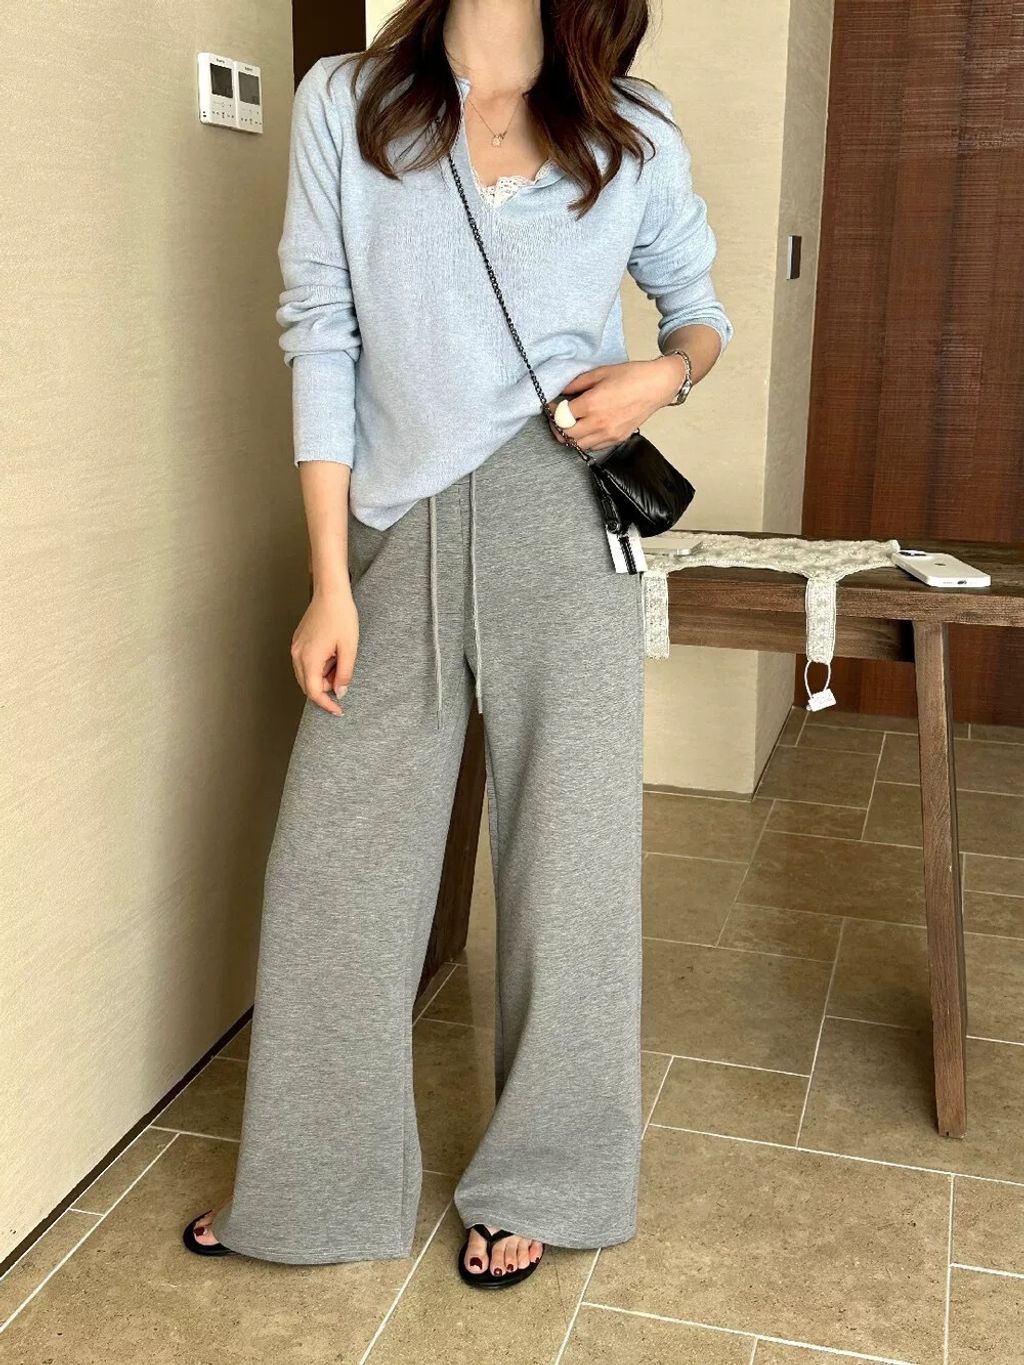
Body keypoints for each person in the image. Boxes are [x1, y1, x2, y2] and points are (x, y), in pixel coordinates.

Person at [184, 0, 732, 1290]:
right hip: (399, 525)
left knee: (571, 864)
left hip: (565, 522)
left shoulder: (632, 127)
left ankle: (550, 1178)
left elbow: (699, 313)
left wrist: (663, 377)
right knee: (337, 870)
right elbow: (321, 330)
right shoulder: (348, 101)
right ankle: (314, 1188)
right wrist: (330, 579)